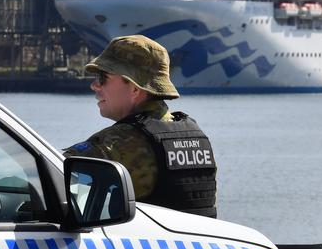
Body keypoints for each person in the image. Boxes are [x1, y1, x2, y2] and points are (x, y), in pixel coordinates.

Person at [64, 35, 217, 218]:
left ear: (135, 88)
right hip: (196, 245)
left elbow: (49, 170)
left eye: (103, 77)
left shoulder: (118, 143)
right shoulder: (194, 134)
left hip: (150, 246)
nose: (94, 85)